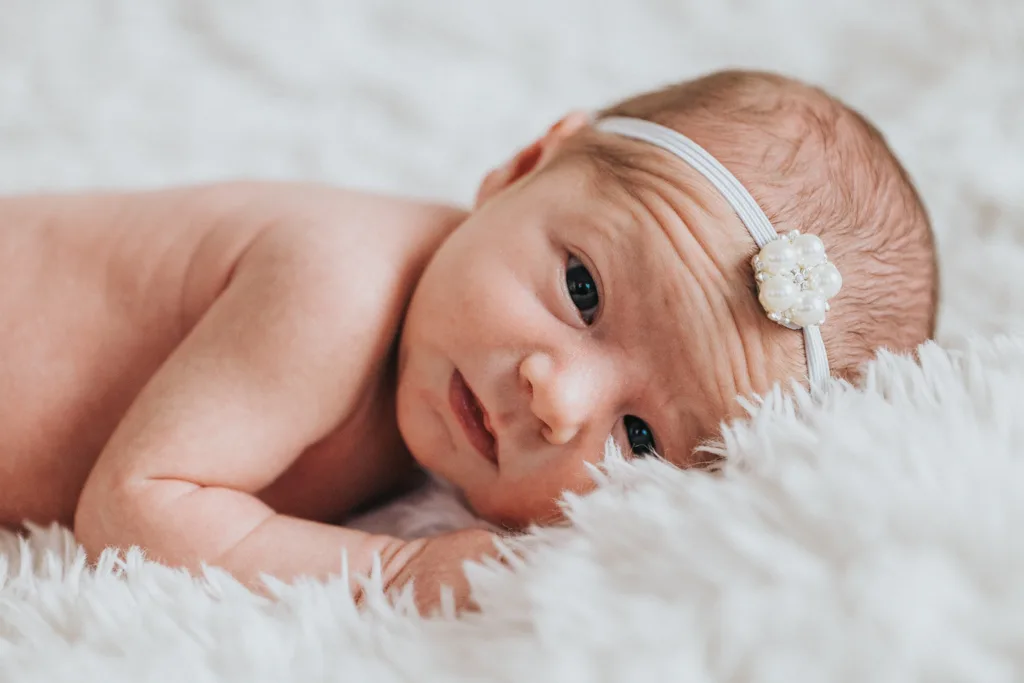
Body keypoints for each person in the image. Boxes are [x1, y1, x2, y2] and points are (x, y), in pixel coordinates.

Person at [0, 70, 938, 612]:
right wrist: (397, 570)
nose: (557, 398)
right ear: (524, 165)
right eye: (581, 289)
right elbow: (133, 511)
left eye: (641, 438)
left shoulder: (441, 385)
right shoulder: (337, 284)